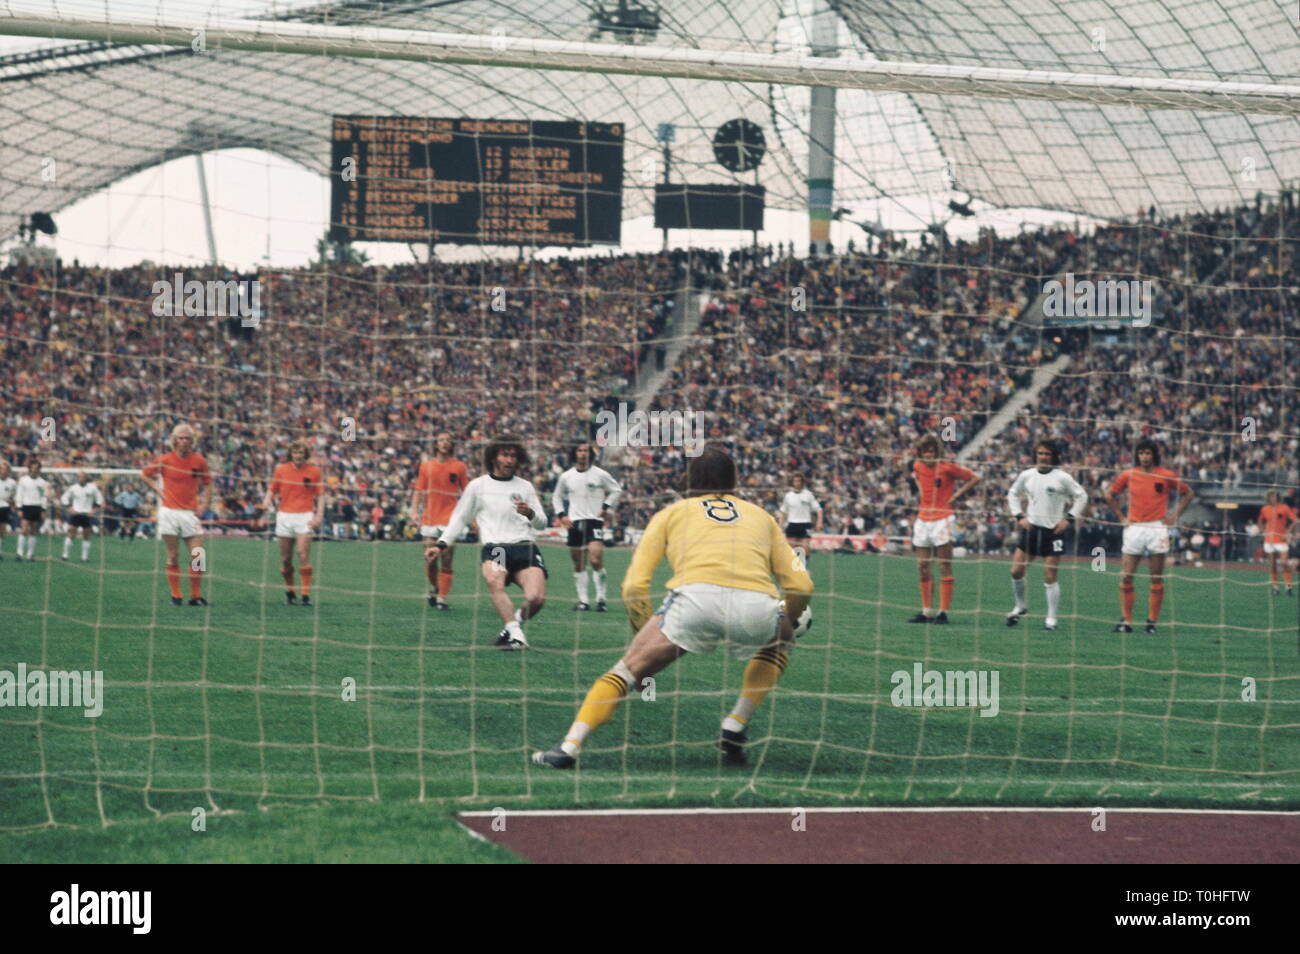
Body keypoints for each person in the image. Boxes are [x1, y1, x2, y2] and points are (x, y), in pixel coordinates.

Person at [532, 444, 814, 770]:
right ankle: (736, 722)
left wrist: (646, 632)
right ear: (734, 479)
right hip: (755, 606)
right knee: (782, 641)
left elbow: (634, 586)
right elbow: (802, 586)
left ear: (689, 479)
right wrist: (786, 621)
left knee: (627, 670)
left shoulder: (670, 513)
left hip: (692, 603)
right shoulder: (761, 516)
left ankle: (568, 747)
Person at [427, 436, 548, 650]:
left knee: (536, 598)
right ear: (493, 457)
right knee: (495, 581)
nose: (510, 460)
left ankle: (511, 628)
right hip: (498, 548)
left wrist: (530, 513)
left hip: (525, 547)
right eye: (505, 455)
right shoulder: (478, 486)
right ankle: (517, 636)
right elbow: (460, 518)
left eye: (513, 455)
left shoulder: (525, 487)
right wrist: (441, 544)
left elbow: (542, 523)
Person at [1102, 439, 1195, 634]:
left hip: (1157, 528)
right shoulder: (1129, 474)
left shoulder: (1166, 475)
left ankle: (1151, 622)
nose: (1145, 457)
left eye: (1148, 453)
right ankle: (1126, 621)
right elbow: (1109, 495)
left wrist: (1173, 516)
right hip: (1134, 527)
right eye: (1142, 453)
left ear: (1154, 455)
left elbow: (1188, 493)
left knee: (1156, 577)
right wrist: (1121, 517)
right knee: (1126, 576)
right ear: (1137, 455)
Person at [1004, 441, 1089, 631]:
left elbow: (1082, 496)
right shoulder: (1027, 475)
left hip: (1053, 532)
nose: (1043, 457)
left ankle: (1051, 619)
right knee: (1016, 571)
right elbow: (1013, 493)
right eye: (1040, 453)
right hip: (1031, 529)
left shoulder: (1062, 478)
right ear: (1035, 455)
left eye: (1047, 454)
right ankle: (1020, 606)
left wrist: (1068, 519)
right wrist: (1018, 515)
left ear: (1054, 457)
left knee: (1049, 575)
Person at [907, 434, 980, 624]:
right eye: (925, 452)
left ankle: (943, 612)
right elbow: (916, 478)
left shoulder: (947, 467)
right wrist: (922, 495)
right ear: (921, 454)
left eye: (932, 451)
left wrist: (956, 497)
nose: (928, 455)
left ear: (937, 452)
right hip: (923, 519)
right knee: (923, 566)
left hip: (943, 518)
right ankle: (925, 612)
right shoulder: (917, 466)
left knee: (944, 565)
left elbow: (974, 477)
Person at [140, 423, 212, 607]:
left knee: (198, 555)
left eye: (187, 438)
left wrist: (205, 504)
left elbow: (208, 483)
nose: (184, 441)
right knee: (172, 555)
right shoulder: (165, 459)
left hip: (190, 513)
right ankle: (176, 596)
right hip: (169, 513)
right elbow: (145, 474)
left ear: (192, 441)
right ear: (174, 440)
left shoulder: (199, 461)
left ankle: (195, 596)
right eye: (180, 438)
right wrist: (158, 489)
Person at [552, 442, 622, 611]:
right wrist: (562, 515)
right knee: (579, 563)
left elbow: (616, 490)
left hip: (594, 522)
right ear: (575, 453)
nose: (583, 453)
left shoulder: (600, 474)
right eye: (579, 450)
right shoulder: (566, 476)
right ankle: (583, 601)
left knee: (595, 559)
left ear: (591, 454)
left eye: (586, 451)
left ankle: (601, 599)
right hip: (574, 522)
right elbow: (556, 496)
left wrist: (605, 508)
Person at [261, 440, 325, 606]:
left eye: (301, 453)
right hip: (284, 517)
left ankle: (305, 595)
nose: (298, 456)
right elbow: (272, 488)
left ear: (306, 455)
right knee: (285, 559)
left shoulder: (314, 471)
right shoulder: (281, 469)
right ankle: (290, 592)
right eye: (296, 453)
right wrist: (267, 501)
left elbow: (321, 495)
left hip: (305, 516)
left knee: (303, 554)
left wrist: (319, 515)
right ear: (291, 454)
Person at [410, 432, 469, 610]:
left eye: (448, 441)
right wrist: (414, 511)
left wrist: (469, 516)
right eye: (441, 440)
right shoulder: (426, 466)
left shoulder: (459, 466)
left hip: (450, 519)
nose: (445, 443)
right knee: (430, 559)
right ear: (436, 444)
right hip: (429, 518)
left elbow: (467, 493)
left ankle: (442, 598)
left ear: (451, 445)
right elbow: (419, 491)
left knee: (447, 558)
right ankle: (435, 588)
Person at [776, 473, 823, 562]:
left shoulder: (808, 494)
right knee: (791, 549)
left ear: (802, 482)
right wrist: (780, 526)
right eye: (795, 481)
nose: (797, 483)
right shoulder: (788, 496)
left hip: (805, 524)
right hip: (792, 524)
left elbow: (819, 509)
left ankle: (805, 569)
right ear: (792, 482)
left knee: (805, 548)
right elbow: (783, 511)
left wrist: (819, 522)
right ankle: (792, 571)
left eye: (799, 481)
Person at [60, 471, 104, 562]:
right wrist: (70, 508)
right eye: (79, 477)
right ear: (77, 478)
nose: (81, 478)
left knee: (86, 535)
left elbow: (100, 500)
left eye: (83, 477)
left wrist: (93, 510)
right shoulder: (73, 488)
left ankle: (84, 557)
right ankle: (65, 555)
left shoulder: (92, 488)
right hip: (76, 514)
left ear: (86, 478)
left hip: (87, 514)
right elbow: (64, 498)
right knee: (71, 532)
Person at [1258, 490, 1296, 595]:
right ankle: (1275, 587)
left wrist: (1288, 532)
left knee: (1284, 563)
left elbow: (1295, 520)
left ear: (1278, 497)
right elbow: (1260, 521)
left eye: (1274, 496)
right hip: (1269, 541)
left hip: (1281, 540)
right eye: (1270, 496)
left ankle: (1288, 587)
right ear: (1268, 498)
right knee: (1272, 565)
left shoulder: (1284, 508)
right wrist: (1263, 531)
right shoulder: (1265, 509)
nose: (1272, 498)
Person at [14, 458, 51, 562]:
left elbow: (44, 497)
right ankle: (19, 553)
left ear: (39, 470)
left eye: (37, 468)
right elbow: (19, 494)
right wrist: (19, 508)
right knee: (24, 529)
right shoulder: (23, 480)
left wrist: (43, 510)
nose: (35, 470)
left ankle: (30, 554)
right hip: (26, 506)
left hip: (37, 507)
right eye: (33, 468)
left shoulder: (43, 482)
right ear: (29, 468)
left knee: (33, 531)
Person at [0, 460, 15, 560]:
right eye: (1, 469)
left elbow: (14, 495)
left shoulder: (12, 482)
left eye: (5, 469)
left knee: (1, 531)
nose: (2, 471)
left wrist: (11, 501)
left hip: (4, 508)